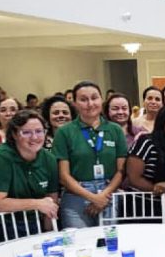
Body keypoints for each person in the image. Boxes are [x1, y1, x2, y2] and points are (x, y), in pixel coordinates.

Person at [52, 81, 128, 227]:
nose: (90, 103)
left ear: (102, 100)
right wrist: (93, 197)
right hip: (76, 195)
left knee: (108, 243)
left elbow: (121, 170)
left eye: (94, 98)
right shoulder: (64, 132)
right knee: (78, 244)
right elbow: (64, 175)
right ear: (74, 103)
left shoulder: (115, 130)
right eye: (83, 99)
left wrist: (103, 196)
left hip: (108, 192)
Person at [0, 109, 59, 233]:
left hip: (32, 222)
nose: (34, 137)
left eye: (39, 131)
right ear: (14, 134)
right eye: (26, 132)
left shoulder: (49, 159)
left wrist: (49, 232)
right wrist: (38, 204)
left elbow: (51, 199)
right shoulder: (0, 157)